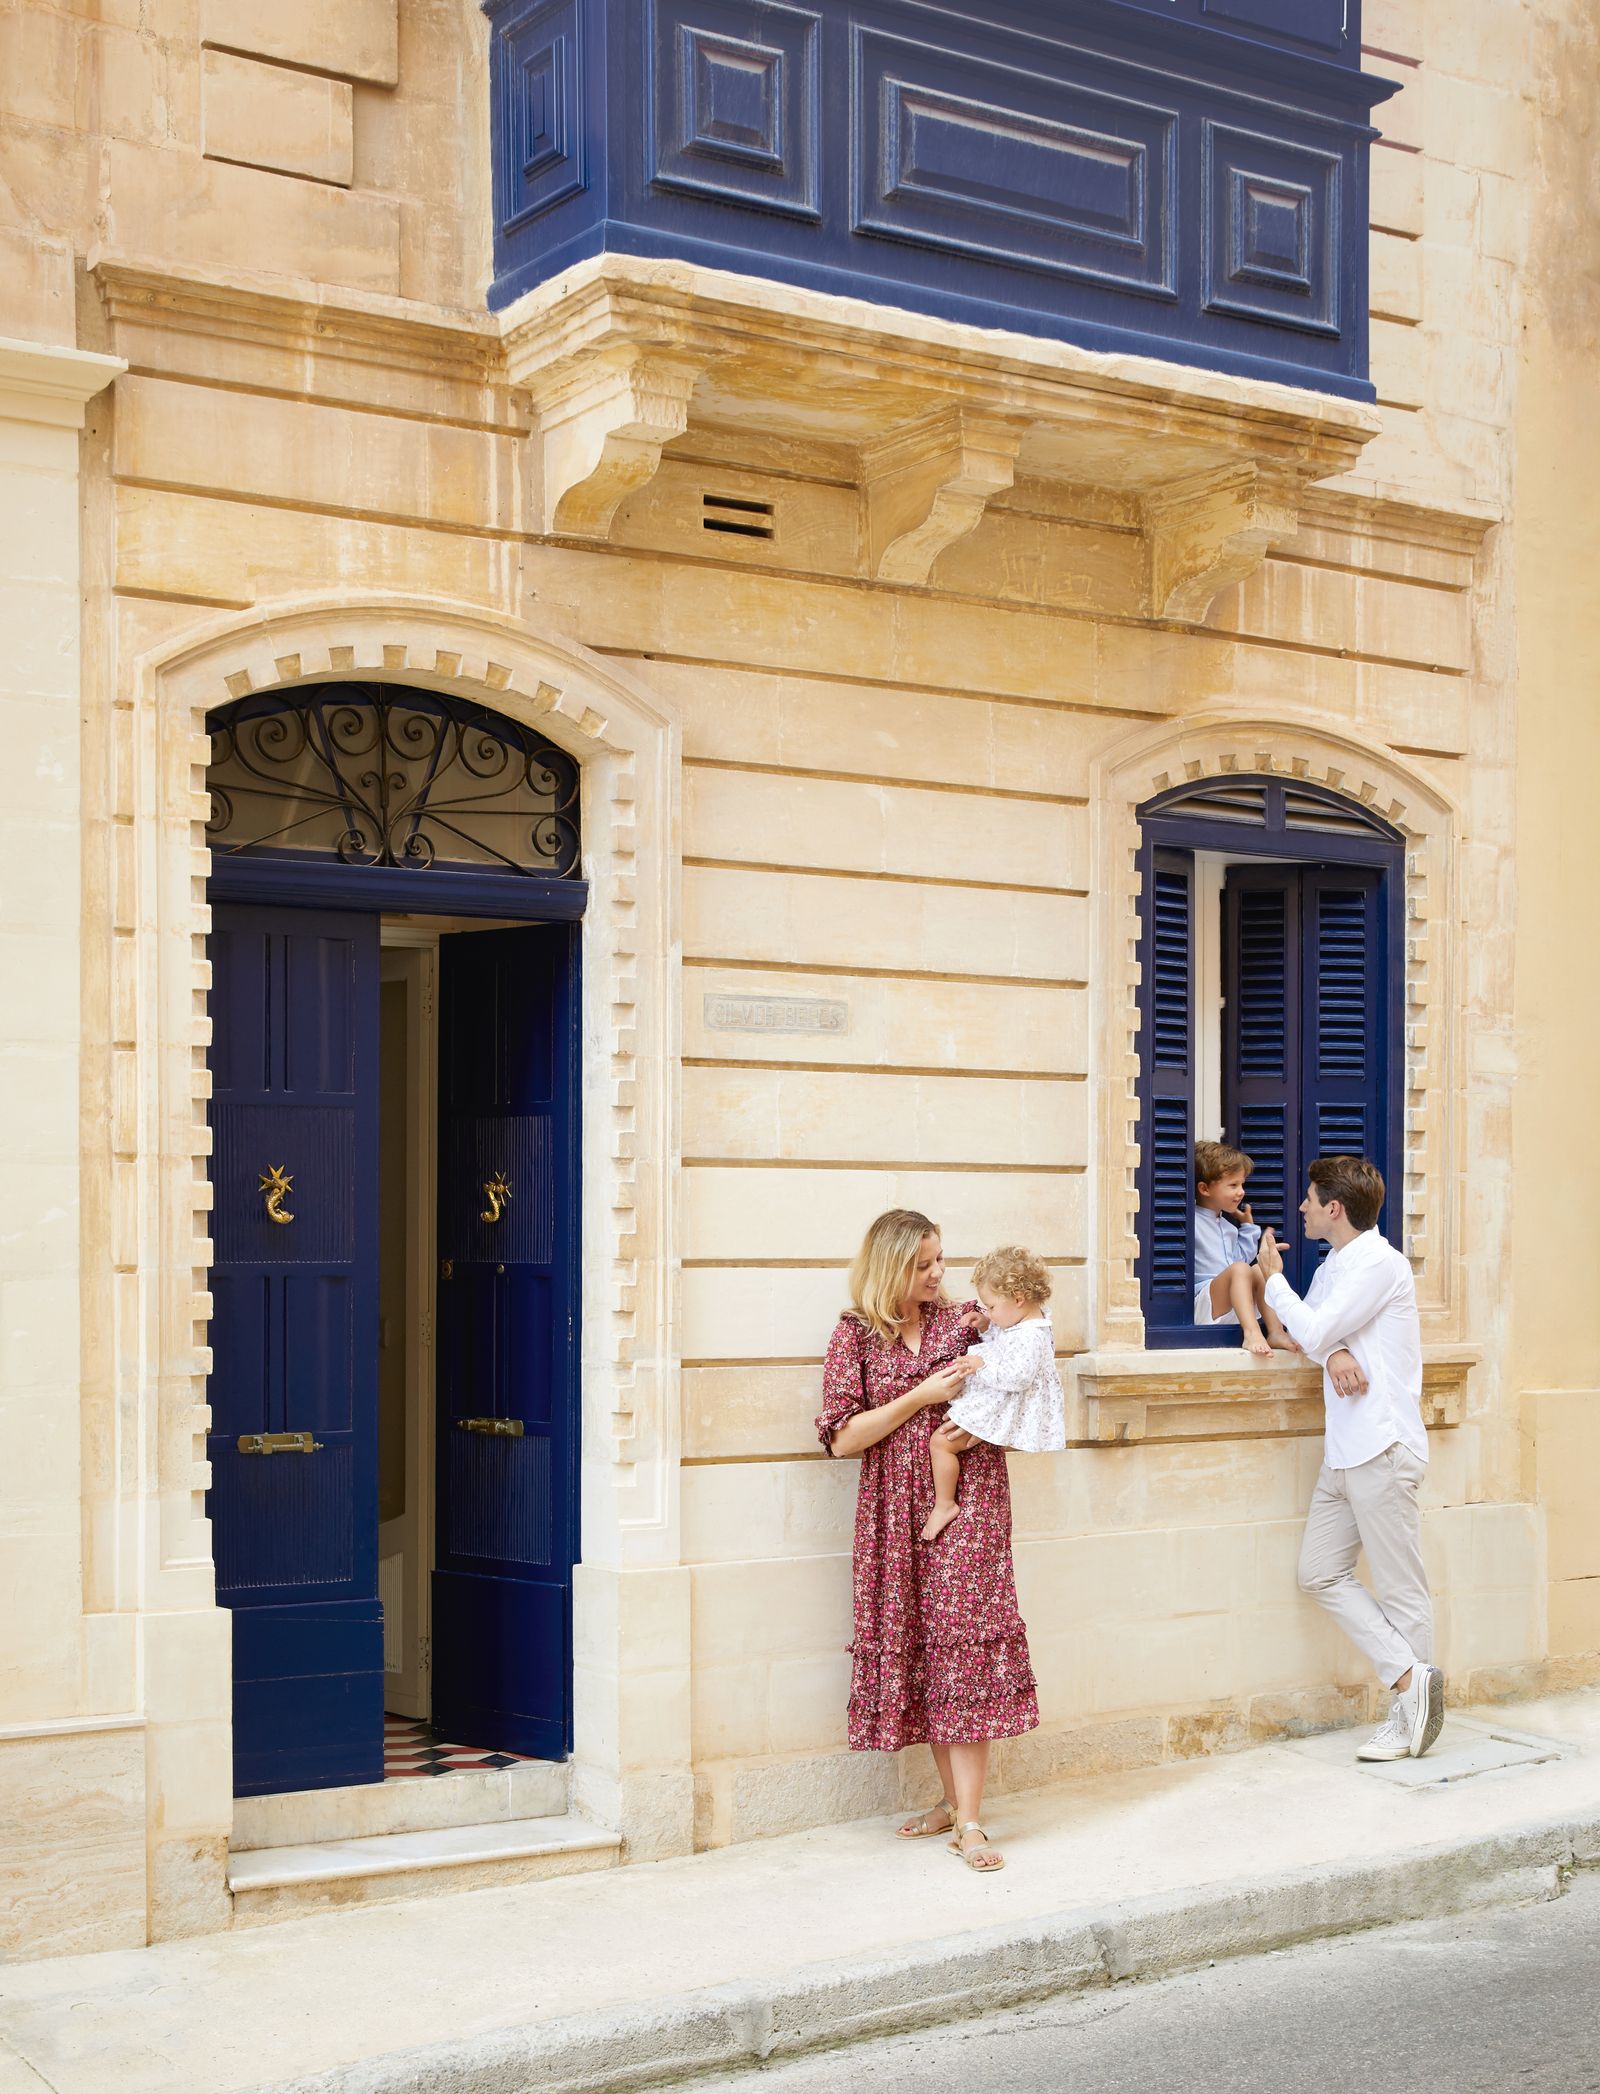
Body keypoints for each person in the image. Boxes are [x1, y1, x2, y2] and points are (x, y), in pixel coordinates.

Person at [817, 1209, 1039, 1872]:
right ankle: (950, 1801)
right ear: (890, 1267)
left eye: (940, 1259)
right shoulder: (852, 1336)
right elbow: (840, 1438)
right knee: (923, 1650)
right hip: (891, 1513)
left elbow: (1032, 1352)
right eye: (924, 1265)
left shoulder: (964, 1318)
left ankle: (970, 1823)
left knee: (964, 1648)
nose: (939, 1274)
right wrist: (919, 1397)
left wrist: (989, 1422)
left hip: (968, 1503)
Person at [1256, 1156, 1445, 1761]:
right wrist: (1334, 1350)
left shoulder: (1380, 1265)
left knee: (1400, 1589)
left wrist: (1272, 1278)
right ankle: (1412, 1680)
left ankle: (1410, 1717)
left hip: (1382, 1447)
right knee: (1318, 1572)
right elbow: (1304, 1335)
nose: (1303, 1208)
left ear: (1334, 1208)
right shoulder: (1337, 1263)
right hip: (1345, 1452)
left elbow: (1306, 1324)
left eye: (1310, 1200)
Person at [922, 1244, 1065, 1543]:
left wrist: (979, 1365)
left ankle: (945, 1504)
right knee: (944, 1437)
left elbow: (1016, 1376)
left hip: (1001, 1404)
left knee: (941, 1443)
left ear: (1019, 1298)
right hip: (998, 1400)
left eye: (991, 1306)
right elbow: (1005, 1338)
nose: (986, 1310)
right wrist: (988, 1325)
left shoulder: (1032, 1337)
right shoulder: (1023, 1323)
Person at [1193, 1139, 1298, 1357]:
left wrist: (1249, 1228)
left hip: (1235, 1303)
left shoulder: (1228, 1226)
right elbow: (1237, 1267)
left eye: (1242, 1184)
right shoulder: (1190, 1221)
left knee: (1259, 1268)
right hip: (1206, 1302)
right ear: (1204, 1188)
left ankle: (1275, 1331)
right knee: (1241, 1269)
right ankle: (1251, 1333)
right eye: (1232, 1185)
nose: (1241, 1192)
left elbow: (1241, 1257)